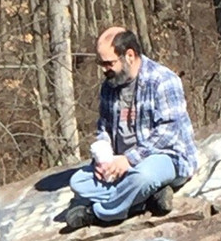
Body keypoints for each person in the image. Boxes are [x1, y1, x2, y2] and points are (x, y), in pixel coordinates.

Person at [65, 26, 199, 230]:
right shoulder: (109, 87)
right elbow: (104, 127)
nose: (103, 69)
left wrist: (129, 159)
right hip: (123, 163)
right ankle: (146, 200)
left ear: (129, 55)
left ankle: (99, 214)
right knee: (78, 182)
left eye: (109, 63)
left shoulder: (163, 80)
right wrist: (103, 157)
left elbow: (168, 132)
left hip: (165, 157)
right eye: (101, 63)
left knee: (143, 177)